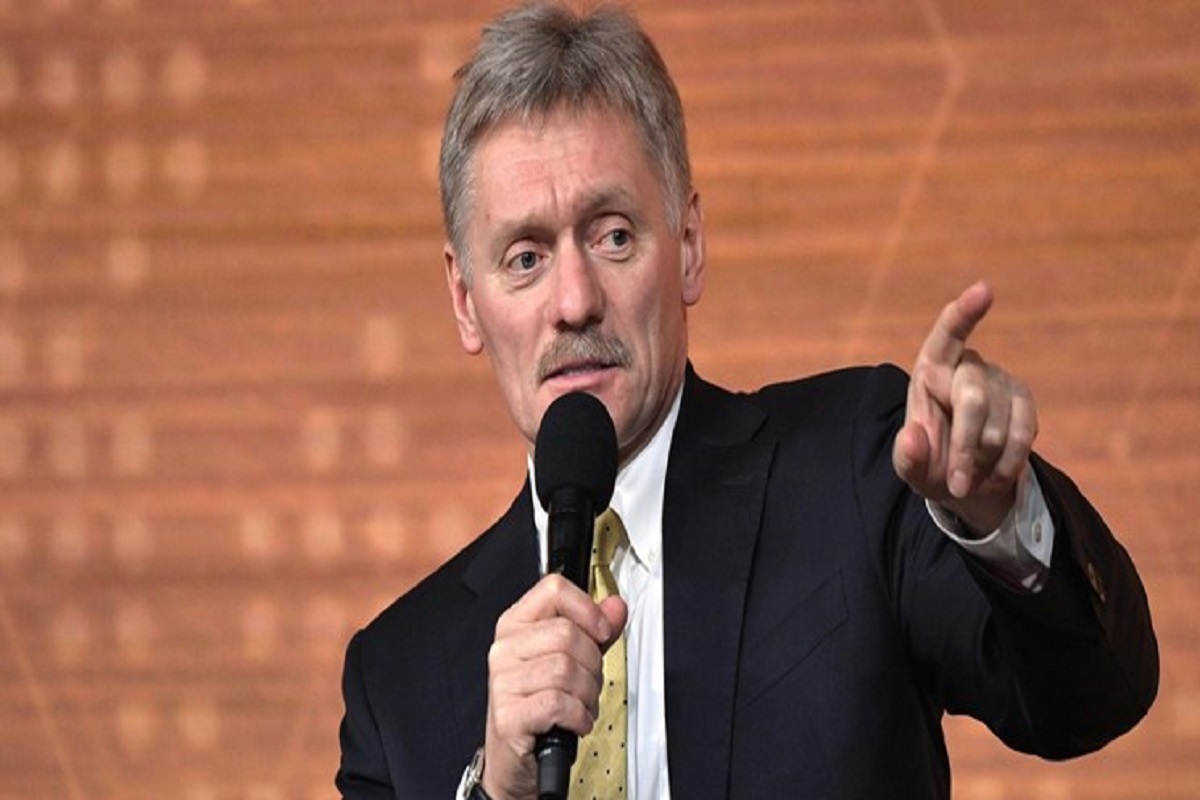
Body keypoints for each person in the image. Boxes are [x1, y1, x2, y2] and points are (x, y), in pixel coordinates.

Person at [335, 2, 1159, 798]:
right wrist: (496, 795)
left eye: (613, 235)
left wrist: (998, 516)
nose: (575, 301)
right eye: (525, 257)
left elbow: (1095, 696)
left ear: (689, 246)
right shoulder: (397, 679)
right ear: (465, 301)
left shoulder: (856, 472)